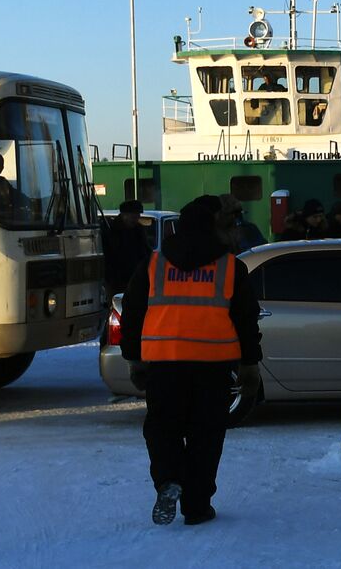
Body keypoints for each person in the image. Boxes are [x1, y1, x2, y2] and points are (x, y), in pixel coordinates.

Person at [119, 195, 262, 526]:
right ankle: (197, 506)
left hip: (164, 365)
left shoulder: (154, 264)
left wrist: (134, 359)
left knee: (162, 428)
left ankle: (168, 479)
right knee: (206, 435)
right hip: (214, 366)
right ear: (214, 226)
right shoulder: (230, 268)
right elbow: (246, 320)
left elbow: (133, 313)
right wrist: (249, 364)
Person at [104, 199, 152, 295]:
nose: (136, 219)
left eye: (138, 216)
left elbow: (146, 252)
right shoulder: (111, 230)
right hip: (117, 281)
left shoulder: (139, 230)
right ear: (124, 215)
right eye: (133, 216)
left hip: (135, 278)